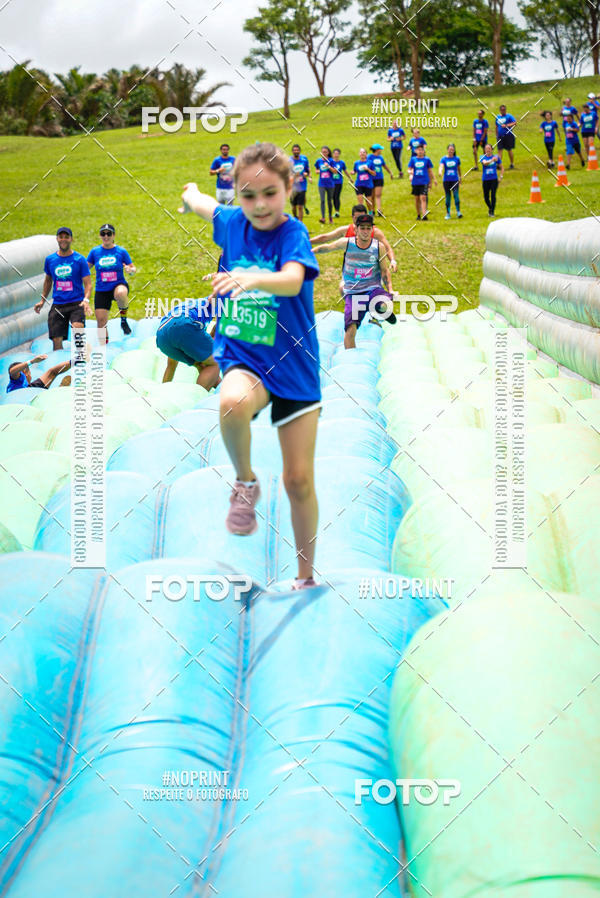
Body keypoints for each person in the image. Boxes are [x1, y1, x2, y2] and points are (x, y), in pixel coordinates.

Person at [179, 142, 321, 590]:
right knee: (231, 401)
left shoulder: (292, 233)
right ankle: (245, 481)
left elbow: (293, 279)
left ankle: (305, 576)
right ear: (236, 195)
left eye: (270, 194)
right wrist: (189, 193)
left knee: (299, 480)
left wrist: (251, 277)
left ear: (288, 189)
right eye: (248, 195)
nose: (260, 205)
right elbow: (204, 204)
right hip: (248, 357)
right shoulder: (231, 223)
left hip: (294, 363)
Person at [313, 213, 396, 349]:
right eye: (362, 228)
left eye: (368, 228)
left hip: (372, 289)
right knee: (350, 331)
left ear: (372, 230)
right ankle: (350, 358)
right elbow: (327, 247)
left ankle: (379, 309)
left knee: (385, 303)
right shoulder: (347, 244)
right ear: (356, 229)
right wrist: (311, 252)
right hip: (353, 293)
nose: (365, 231)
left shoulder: (378, 247)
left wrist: (390, 289)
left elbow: (384, 271)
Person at [34, 227, 92, 350]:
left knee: (77, 327)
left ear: (71, 239)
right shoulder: (50, 260)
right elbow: (48, 280)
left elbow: (88, 284)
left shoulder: (79, 259)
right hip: (59, 304)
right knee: (56, 340)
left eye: (66, 237)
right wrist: (42, 300)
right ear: (57, 239)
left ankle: (81, 358)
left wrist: (86, 300)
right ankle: (60, 365)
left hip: (77, 303)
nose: (63, 240)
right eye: (61, 237)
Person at [310, 203, 398, 273]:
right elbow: (325, 238)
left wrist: (393, 261)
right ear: (352, 217)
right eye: (357, 218)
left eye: (361, 217)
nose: (359, 221)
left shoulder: (375, 232)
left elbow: (387, 247)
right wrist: (307, 242)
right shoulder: (346, 230)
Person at [156, 298, 221, 390]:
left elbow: (171, 365)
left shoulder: (189, 306)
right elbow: (218, 328)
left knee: (202, 363)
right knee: (216, 360)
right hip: (184, 324)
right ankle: (197, 398)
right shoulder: (216, 304)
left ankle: (161, 392)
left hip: (162, 336)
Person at [87, 223, 136, 340]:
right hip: (102, 289)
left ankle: (123, 320)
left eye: (109, 233)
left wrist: (130, 270)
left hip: (118, 285)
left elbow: (133, 269)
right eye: (103, 234)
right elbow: (85, 268)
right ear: (100, 236)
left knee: (121, 293)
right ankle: (105, 347)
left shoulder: (121, 251)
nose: (106, 236)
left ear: (113, 235)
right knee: (101, 322)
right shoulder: (95, 252)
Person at [6, 355, 71, 392]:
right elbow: (12, 371)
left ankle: (59, 391)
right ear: (25, 372)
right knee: (52, 373)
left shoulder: (26, 385)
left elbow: (53, 371)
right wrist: (32, 361)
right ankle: (59, 391)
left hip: (30, 391)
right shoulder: (17, 381)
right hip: (24, 396)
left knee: (52, 373)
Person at [408, 144, 436, 220]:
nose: (420, 152)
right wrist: (410, 172)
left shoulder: (427, 160)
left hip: (424, 181)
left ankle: (424, 214)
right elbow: (409, 169)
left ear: (424, 151)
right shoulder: (413, 159)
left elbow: (430, 171)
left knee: (423, 197)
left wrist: (433, 181)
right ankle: (418, 214)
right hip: (415, 182)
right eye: (419, 150)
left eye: (422, 150)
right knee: (417, 199)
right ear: (416, 151)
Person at [367, 144, 393, 217]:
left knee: (378, 195)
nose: (381, 150)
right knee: (372, 196)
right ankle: (372, 210)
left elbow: (384, 166)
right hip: (371, 178)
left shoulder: (380, 157)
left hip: (379, 178)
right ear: (377, 150)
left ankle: (379, 210)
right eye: (380, 149)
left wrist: (390, 172)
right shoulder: (369, 157)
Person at [438, 144, 462, 219]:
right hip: (446, 180)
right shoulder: (444, 159)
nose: (451, 151)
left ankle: (458, 212)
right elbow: (441, 166)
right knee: (448, 196)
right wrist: (440, 171)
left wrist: (460, 177)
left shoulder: (457, 159)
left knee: (456, 195)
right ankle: (448, 213)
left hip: (455, 180)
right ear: (447, 150)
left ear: (454, 150)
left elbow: (459, 169)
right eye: (449, 149)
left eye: (452, 149)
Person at [289, 144, 311, 222]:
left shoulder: (304, 159)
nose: (296, 151)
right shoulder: (289, 161)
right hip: (293, 187)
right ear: (292, 151)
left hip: (302, 186)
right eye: (294, 150)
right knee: (294, 207)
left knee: (300, 207)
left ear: (300, 151)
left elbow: (308, 170)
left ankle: (300, 223)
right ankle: (295, 217)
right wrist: (294, 175)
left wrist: (307, 174)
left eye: (297, 150)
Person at [480, 143, 503, 217]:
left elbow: (502, 168)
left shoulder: (496, 157)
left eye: (489, 149)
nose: (487, 150)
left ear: (492, 150)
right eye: (486, 149)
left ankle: (492, 211)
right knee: (486, 197)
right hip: (485, 179)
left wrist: (501, 177)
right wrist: (492, 160)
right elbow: (485, 163)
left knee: (493, 195)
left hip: (494, 179)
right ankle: (490, 207)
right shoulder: (482, 157)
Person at [315, 145, 335, 223]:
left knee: (329, 201)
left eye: (325, 152)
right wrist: (318, 171)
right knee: (322, 200)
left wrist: (329, 167)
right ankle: (323, 217)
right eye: (323, 152)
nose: (324, 153)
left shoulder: (331, 161)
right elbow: (316, 170)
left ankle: (330, 217)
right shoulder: (318, 161)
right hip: (321, 184)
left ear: (328, 153)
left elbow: (335, 171)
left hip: (330, 184)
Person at [330, 148, 346, 217]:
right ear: (333, 154)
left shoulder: (341, 162)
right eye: (335, 153)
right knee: (333, 197)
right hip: (331, 182)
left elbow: (345, 171)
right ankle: (334, 211)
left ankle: (337, 212)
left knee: (337, 196)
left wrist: (350, 178)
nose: (336, 155)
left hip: (339, 182)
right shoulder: (330, 162)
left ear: (339, 154)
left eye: (337, 153)